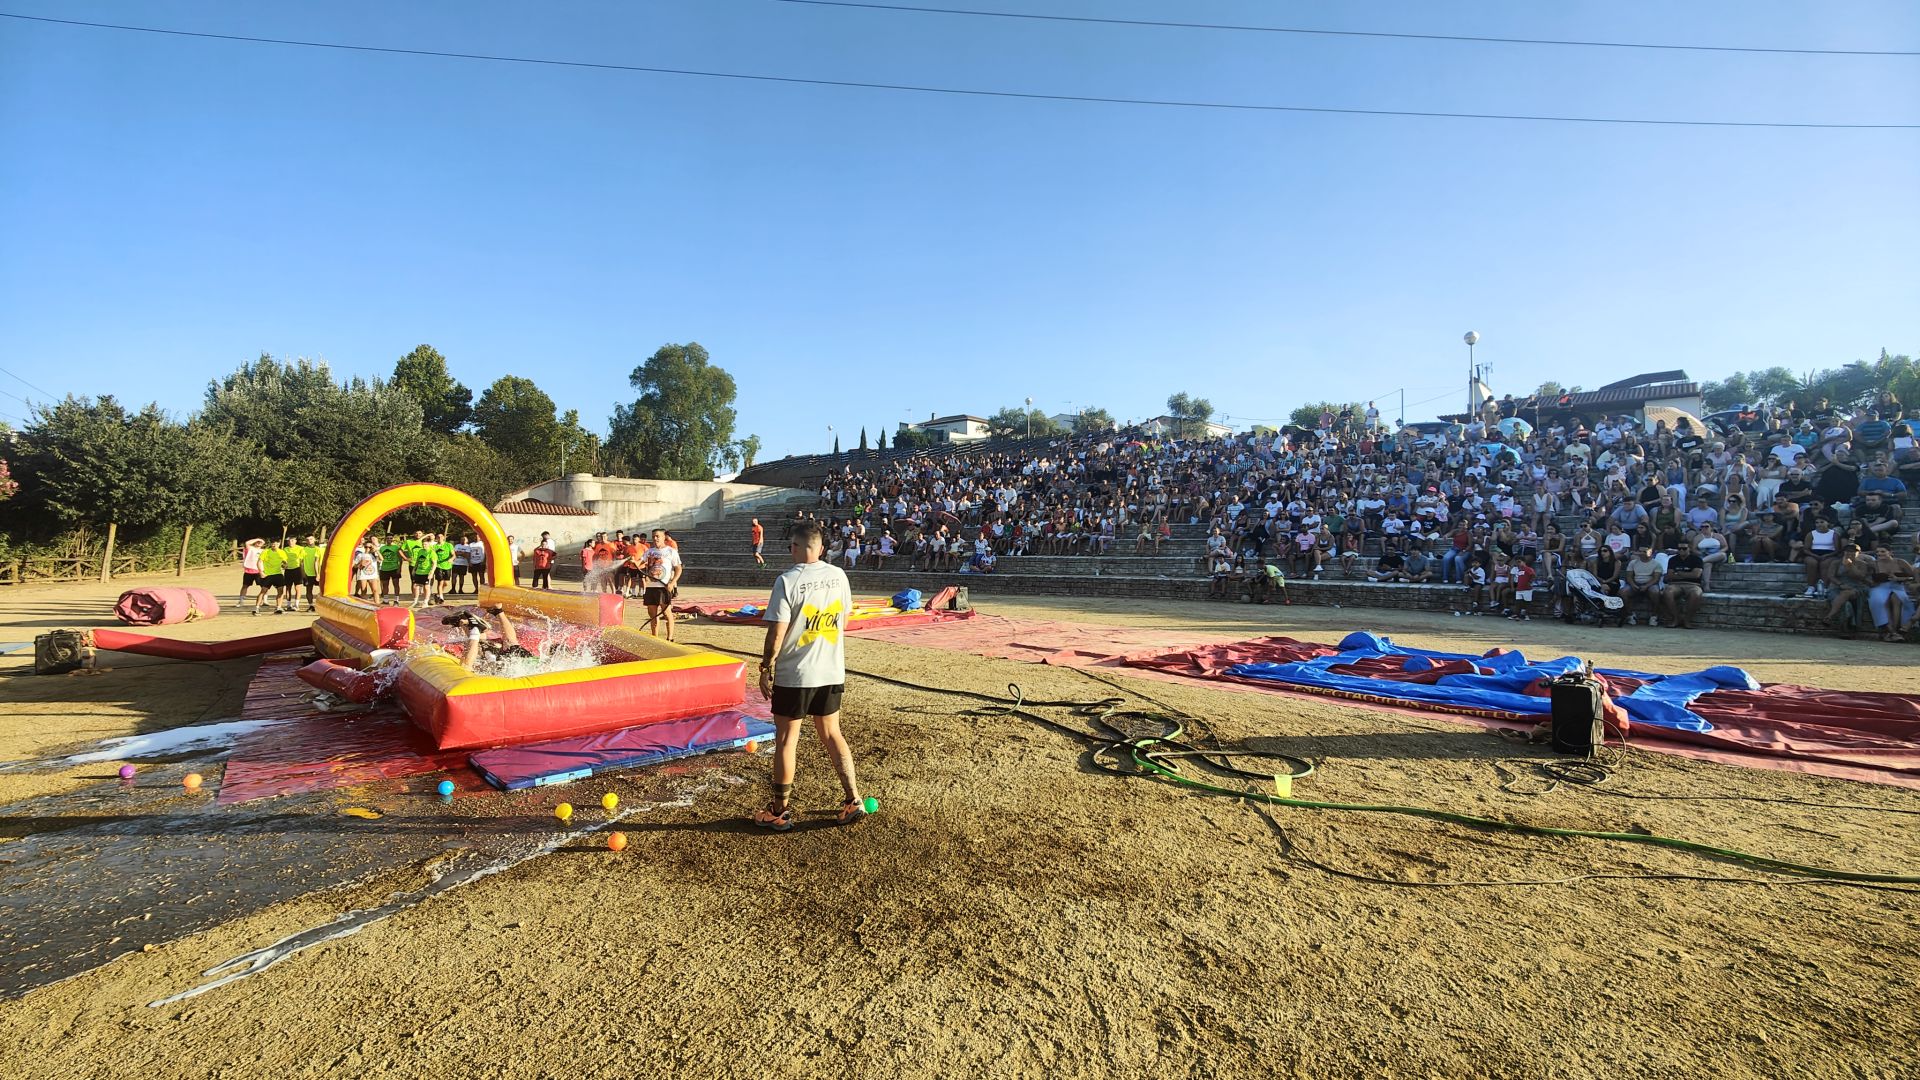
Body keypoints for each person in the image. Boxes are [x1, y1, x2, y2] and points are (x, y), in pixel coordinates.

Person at [755, 519, 866, 831]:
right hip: (830, 670)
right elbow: (841, 621)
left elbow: (776, 634)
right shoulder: (839, 575)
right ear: (821, 548)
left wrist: (766, 667)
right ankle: (852, 799)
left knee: (787, 739)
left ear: (797, 547)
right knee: (832, 733)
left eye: (792, 543)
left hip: (796, 674)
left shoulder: (787, 580)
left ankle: (779, 811)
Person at [640, 528, 683, 640]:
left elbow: (678, 568)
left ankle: (670, 638)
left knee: (667, 613)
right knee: (652, 614)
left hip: (663, 587)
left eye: (658, 536)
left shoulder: (671, 551)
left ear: (664, 537)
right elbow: (640, 564)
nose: (655, 538)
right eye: (654, 536)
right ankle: (655, 638)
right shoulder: (649, 551)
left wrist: (673, 582)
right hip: (650, 587)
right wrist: (632, 561)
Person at [1662, 539, 1707, 629]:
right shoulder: (1673, 560)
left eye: (1684, 548)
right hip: (1676, 584)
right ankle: (1676, 619)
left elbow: (1696, 575)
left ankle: (1687, 620)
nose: (1681, 550)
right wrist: (1688, 574)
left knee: (1696, 594)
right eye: (1679, 549)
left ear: (1689, 548)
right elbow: (1670, 576)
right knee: (1667, 592)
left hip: (1693, 585)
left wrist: (1679, 574)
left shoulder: (1697, 559)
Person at [253, 539, 286, 615]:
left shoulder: (282, 552)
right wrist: (261, 571)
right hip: (268, 575)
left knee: (281, 591)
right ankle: (256, 608)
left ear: (279, 543)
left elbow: (284, 562)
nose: (274, 545)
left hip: (278, 574)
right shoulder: (266, 552)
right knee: (263, 591)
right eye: (273, 544)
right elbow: (259, 561)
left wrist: (285, 564)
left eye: (276, 544)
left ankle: (278, 607)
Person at [377, 534, 404, 601]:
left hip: (394, 568)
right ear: (385, 539)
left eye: (391, 538)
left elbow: (400, 559)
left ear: (393, 539)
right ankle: (386, 600)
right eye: (388, 538)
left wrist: (399, 568)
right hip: (384, 569)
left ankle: (396, 600)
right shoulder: (382, 548)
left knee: (396, 584)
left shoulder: (396, 547)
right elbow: (379, 558)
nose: (389, 539)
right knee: (385, 585)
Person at [239, 538, 265, 605]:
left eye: (260, 542)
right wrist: (257, 539)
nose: (258, 543)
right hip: (249, 571)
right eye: (257, 542)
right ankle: (241, 601)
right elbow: (247, 543)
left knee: (264, 586)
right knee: (245, 586)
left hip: (259, 571)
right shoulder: (250, 549)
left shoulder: (263, 551)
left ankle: (264, 600)